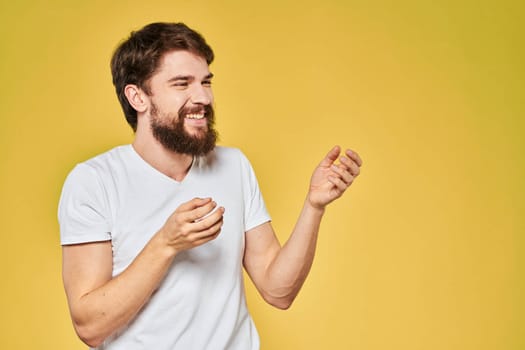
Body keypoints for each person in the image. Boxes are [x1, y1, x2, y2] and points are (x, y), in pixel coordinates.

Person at [58, 22, 362, 350]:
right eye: (181, 83)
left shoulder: (233, 167)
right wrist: (165, 244)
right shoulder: (94, 182)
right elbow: (89, 326)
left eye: (205, 82)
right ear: (138, 97)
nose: (202, 97)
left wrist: (314, 206)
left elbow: (279, 291)